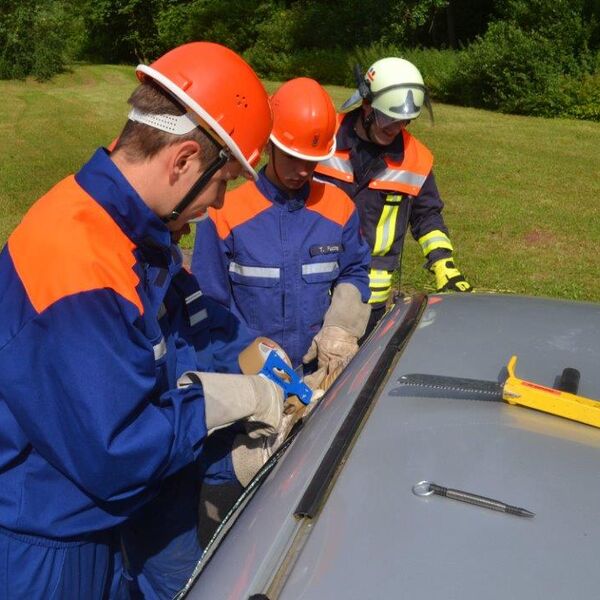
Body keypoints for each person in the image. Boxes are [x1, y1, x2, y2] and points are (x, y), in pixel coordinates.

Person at [0, 41, 281, 599]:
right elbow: (118, 451)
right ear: (181, 161)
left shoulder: (124, 226)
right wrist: (220, 403)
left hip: (89, 523)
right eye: (223, 183)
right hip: (49, 545)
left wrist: (249, 355)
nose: (221, 204)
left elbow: (180, 324)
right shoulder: (81, 262)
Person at [192, 77, 371, 385]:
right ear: (269, 143)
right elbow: (208, 302)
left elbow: (354, 270)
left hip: (316, 375)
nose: (302, 171)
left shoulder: (339, 208)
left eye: (311, 161)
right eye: (292, 157)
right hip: (246, 375)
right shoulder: (225, 212)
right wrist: (249, 352)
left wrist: (341, 325)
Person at [314, 57, 472, 336]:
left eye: (405, 120)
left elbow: (427, 215)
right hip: (313, 287)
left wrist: (443, 264)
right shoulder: (322, 139)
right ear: (366, 105)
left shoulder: (415, 159)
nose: (396, 128)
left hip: (368, 299)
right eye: (388, 119)